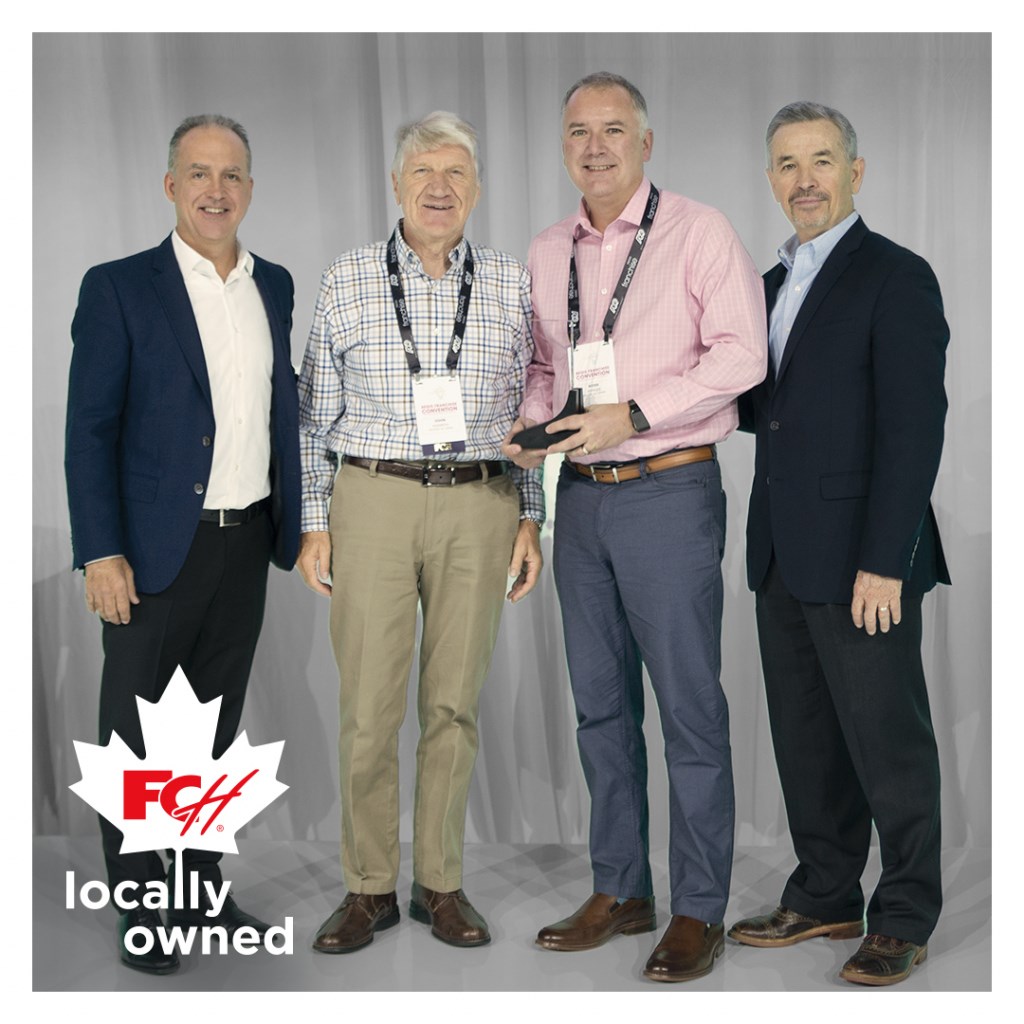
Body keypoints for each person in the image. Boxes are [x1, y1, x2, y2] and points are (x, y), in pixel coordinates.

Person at [503, 72, 766, 983]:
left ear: (645, 143)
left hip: (668, 489)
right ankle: (621, 888)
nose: (596, 147)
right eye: (579, 131)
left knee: (688, 705)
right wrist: (531, 426)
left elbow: (743, 354)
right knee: (600, 705)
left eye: (613, 130)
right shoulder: (547, 249)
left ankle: (699, 907)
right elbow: (546, 369)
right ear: (563, 146)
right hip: (581, 498)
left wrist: (637, 414)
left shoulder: (699, 231)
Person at [298, 110, 543, 955]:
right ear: (396, 185)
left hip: (481, 502)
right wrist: (315, 523)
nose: (440, 188)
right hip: (373, 499)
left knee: (453, 705)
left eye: (456, 173)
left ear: (477, 188)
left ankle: (440, 881)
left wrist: (531, 516)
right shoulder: (348, 278)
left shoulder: (510, 282)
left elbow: (531, 413)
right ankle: (368, 887)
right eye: (423, 173)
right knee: (369, 707)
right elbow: (312, 417)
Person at [64, 114, 301, 974]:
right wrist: (100, 551)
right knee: (133, 737)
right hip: (151, 553)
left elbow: (279, 412)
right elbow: (89, 431)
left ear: (250, 189)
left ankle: (199, 888)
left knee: (212, 730)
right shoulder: (119, 287)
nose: (215, 190)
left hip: (246, 543)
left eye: (231, 174)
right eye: (198, 173)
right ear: (171, 186)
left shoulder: (274, 285)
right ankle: (139, 904)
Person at [727, 101, 949, 987]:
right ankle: (824, 893)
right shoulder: (767, 285)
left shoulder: (897, 276)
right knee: (807, 739)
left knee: (888, 744)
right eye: (788, 164)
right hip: (781, 552)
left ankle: (904, 915)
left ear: (856, 172)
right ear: (771, 179)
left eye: (822, 160)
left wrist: (885, 560)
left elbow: (913, 429)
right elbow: (761, 410)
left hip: (864, 559)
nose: (805, 180)